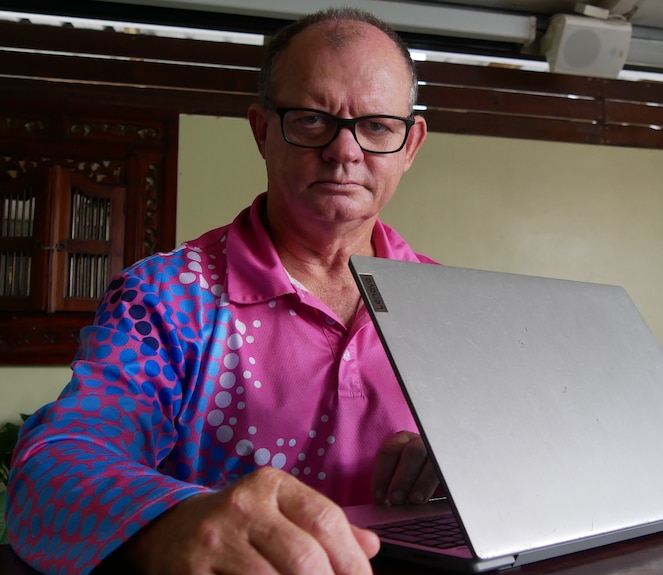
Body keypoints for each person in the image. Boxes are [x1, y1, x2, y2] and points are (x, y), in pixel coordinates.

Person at [7, 8, 439, 574]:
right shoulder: (166, 297)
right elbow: (54, 467)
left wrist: (465, 464)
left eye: (377, 126)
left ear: (410, 145)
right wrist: (170, 520)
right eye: (312, 120)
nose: (345, 151)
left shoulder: (445, 303)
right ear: (262, 130)